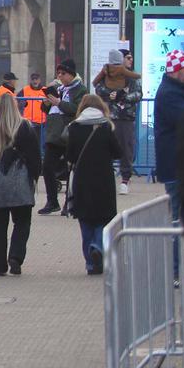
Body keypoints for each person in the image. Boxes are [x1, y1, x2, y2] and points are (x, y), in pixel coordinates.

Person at [0, 92, 42, 277]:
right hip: (19, 184)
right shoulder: (25, 127)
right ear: (15, 107)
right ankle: (16, 256)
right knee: (22, 222)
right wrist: (34, 178)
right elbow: (35, 158)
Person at [66, 95, 123, 275]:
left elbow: (69, 155)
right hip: (103, 179)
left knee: (85, 221)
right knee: (103, 218)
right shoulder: (106, 127)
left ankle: (90, 263)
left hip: (82, 179)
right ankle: (98, 246)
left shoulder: (74, 127)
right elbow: (118, 152)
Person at [154, 49, 184, 227]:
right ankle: (173, 254)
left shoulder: (182, 90)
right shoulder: (169, 94)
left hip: (183, 162)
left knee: (180, 215)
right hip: (175, 163)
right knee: (175, 218)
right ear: (175, 71)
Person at [38, 60, 87, 215]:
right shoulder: (59, 88)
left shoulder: (81, 90)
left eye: (63, 73)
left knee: (70, 169)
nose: (60, 76)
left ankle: (69, 203)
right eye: (58, 73)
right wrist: (46, 103)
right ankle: (52, 201)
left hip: (69, 134)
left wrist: (59, 103)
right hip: (53, 135)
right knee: (47, 167)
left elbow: (77, 109)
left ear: (71, 74)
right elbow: (46, 110)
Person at [93, 47, 143, 195]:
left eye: (131, 58)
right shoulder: (106, 73)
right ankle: (106, 178)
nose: (130, 60)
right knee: (106, 147)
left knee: (126, 149)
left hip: (126, 117)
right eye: (127, 57)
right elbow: (98, 88)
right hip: (109, 116)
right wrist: (110, 94)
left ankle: (125, 180)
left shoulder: (132, 77)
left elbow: (138, 94)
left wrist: (123, 96)